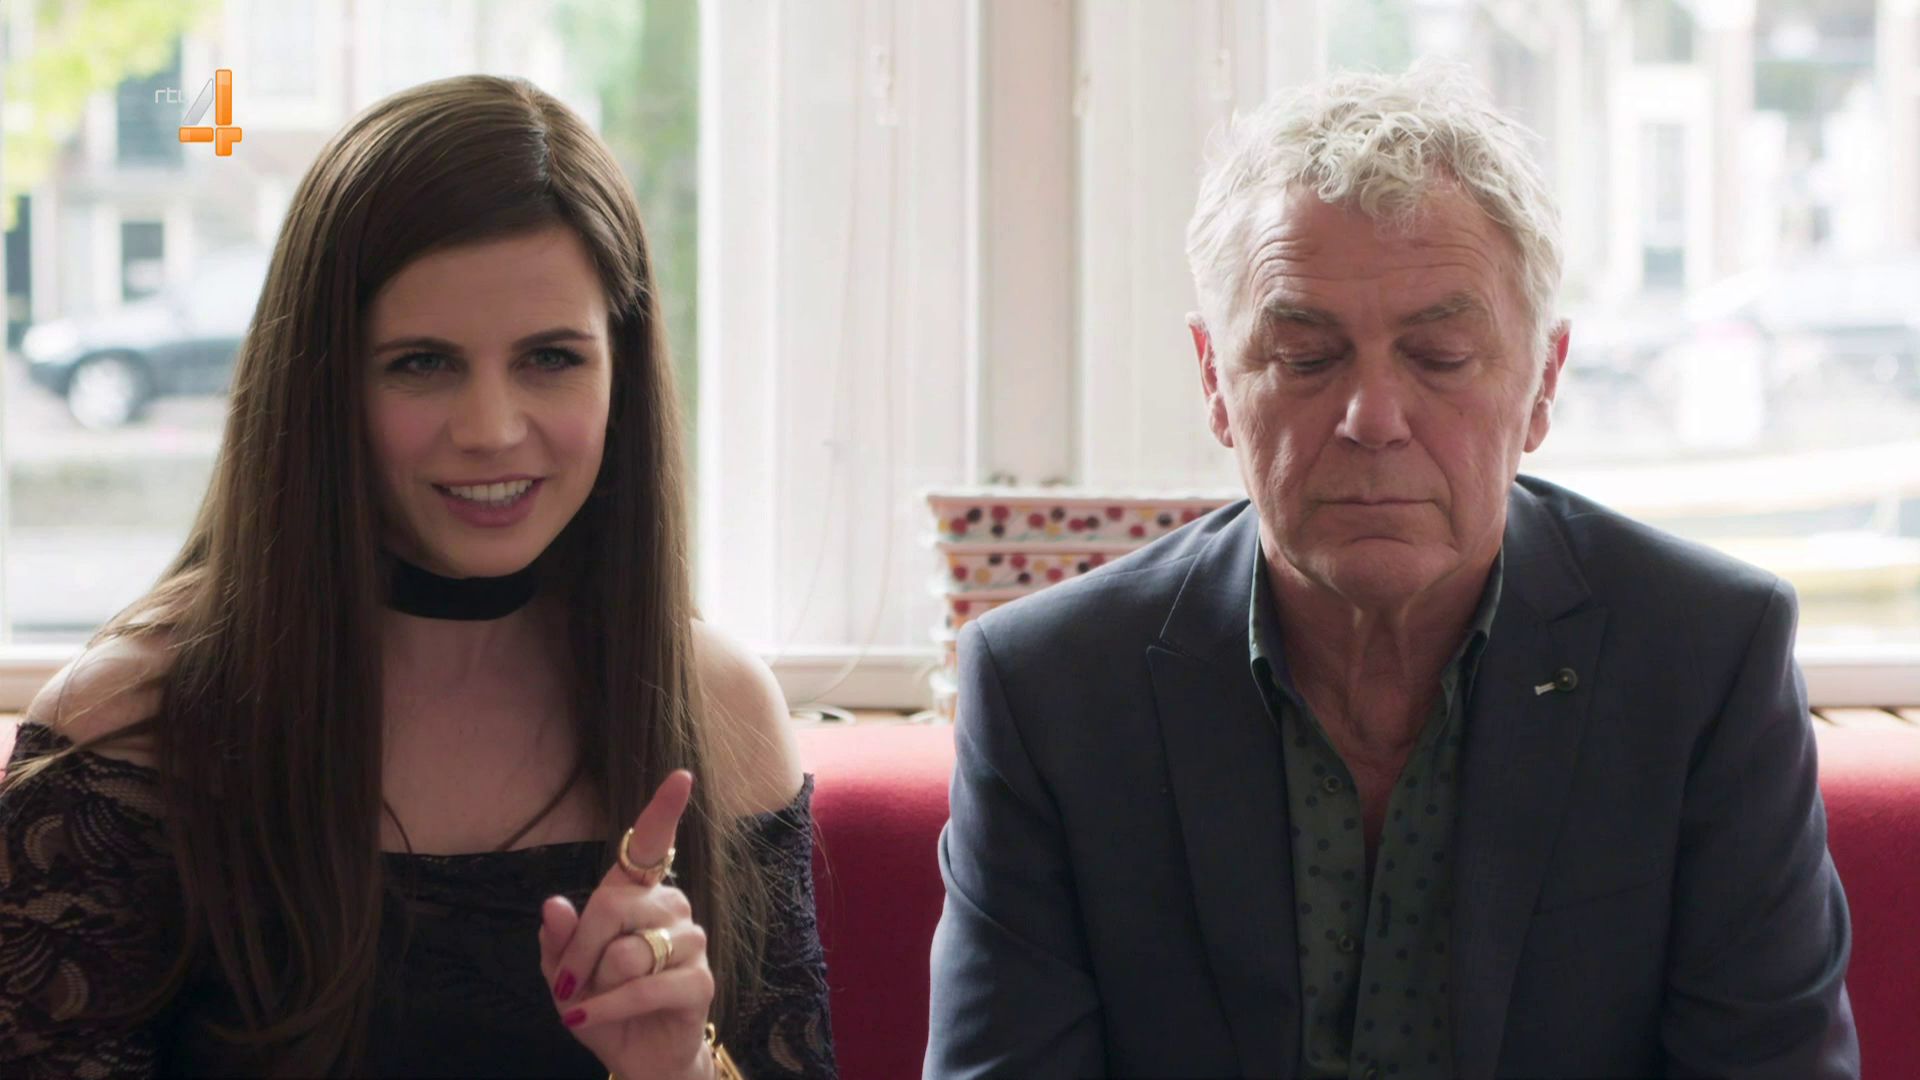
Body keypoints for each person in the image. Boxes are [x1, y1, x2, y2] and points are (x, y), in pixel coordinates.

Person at [925, 64, 1857, 1079]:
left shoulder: (1706, 659)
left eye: (1440, 356)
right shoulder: (1050, 688)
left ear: (1544, 382)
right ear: (1214, 381)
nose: (1372, 419)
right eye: (1305, 358)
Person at [0, 74, 835, 1079]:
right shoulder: (126, 728)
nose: (490, 429)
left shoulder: (720, 706)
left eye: (551, 359)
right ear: (321, 386)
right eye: (421, 364)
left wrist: (675, 1068)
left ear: (621, 370)